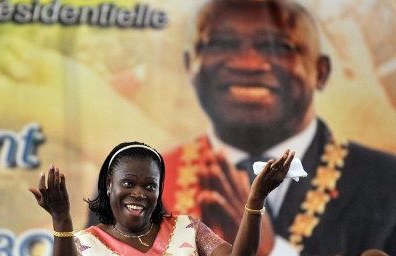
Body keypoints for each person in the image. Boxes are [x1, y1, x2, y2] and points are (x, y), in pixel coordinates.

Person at [162, 0, 396, 255]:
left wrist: (270, 249)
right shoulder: (154, 181)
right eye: (221, 44)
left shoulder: (386, 181)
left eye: (277, 46)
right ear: (189, 65)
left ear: (321, 71)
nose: (248, 64)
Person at [29, 141, 295, 255]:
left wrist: (256, 198)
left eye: (149, 186)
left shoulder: (187, 229)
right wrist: (61, 218)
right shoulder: (85, 243)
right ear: (109, 185)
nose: (139, 194)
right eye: (128, 183)